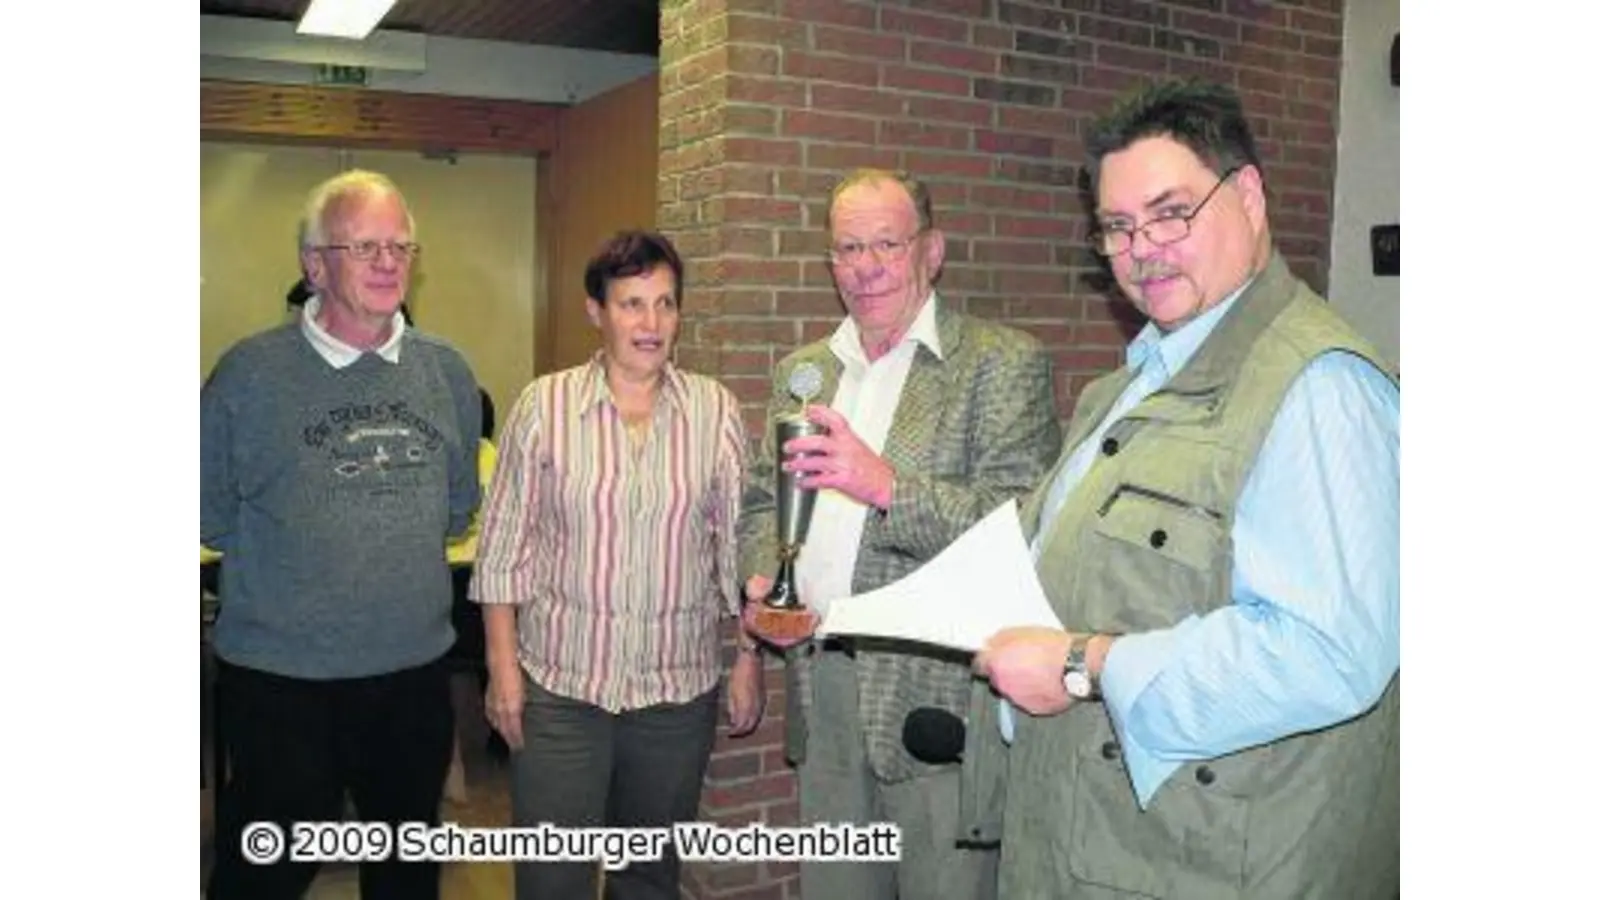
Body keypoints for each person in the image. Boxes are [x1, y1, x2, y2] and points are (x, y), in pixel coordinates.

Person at [965, 79, 1400, 899]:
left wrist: (1084, 664)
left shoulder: (1319, 388)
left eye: (1171, 214)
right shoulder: (1128, 385)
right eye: (1118, 227)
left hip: (1201, 865)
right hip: (1089, 839)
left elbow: (1328, 653)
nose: (1143, 249)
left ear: (1249, 197)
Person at [738, 168, 1063, 900]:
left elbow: (1020, 524)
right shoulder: (804, 372)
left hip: (938, 697)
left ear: (931, 251)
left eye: (887, 244)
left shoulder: (1000, 362)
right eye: (848, 248)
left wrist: (885, 485)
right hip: (822, 683)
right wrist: (762, 576)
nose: (867, 267)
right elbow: (762, 501)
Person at [201, 169, 482, 900]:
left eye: (400, 246)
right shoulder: (248, 376)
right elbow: (206, 512)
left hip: (411, 677)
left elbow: (456, 509)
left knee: (406, 875)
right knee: (262, 874)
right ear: (315, 265)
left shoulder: (447, 372)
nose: (388, 262)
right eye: (364, 247)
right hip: (282, 685)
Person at [470, 229, 764, 900]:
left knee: (648, 879)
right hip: (561, 691)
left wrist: (748, 656)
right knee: (552, 879)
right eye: (632, 303)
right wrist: (502, 669)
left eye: (666, 303)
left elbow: (738, 546)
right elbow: (503, 546)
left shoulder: (714, 410)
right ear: (595, 311)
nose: (651, 323)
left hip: (674, 695)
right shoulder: (544, 407)